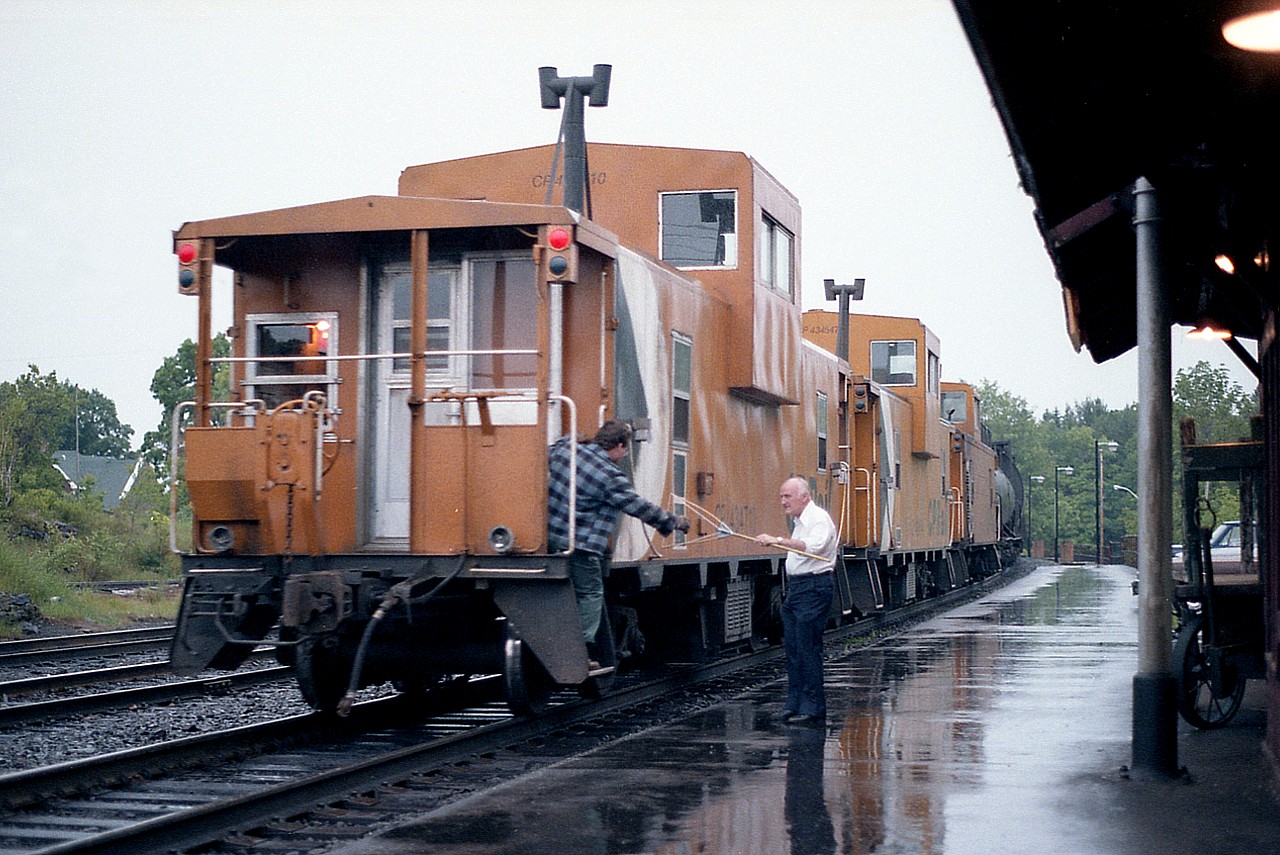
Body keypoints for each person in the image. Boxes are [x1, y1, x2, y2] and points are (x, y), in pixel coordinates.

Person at [547, 420, 690, 658]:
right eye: (625, 449)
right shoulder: (610, 476)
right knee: (590, 593)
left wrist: (573, 437)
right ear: (620, 446)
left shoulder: (566, 452)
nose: (624, 455)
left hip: (550, 540)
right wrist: (673, 521)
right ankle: (581, 650)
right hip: (581, 547)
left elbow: (555, 447)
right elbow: (639, 507)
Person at [756, 477, 838, 725]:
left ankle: (813, 708)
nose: (783, 502)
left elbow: (811, 548)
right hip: (798, 589)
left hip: (813, 588)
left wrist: (777, 540)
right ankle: (794, 704)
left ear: (804, 497)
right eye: (781, 496)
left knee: (807, 648)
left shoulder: (819, 519)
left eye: (787, 497)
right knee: (793, 648)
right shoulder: (800, 521)